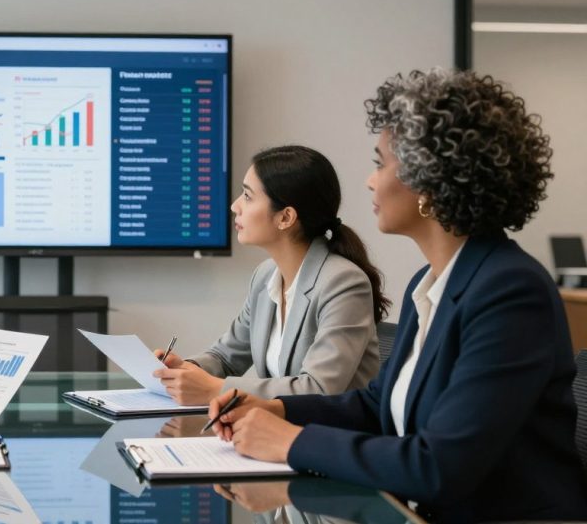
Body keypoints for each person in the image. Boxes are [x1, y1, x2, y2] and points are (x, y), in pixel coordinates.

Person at [210, 69, 587, 522]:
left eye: (380, 163)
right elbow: (376, 404)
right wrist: (276, 408)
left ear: (429, 181)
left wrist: (289, 441)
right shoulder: (428, 284)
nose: (370, 182)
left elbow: (438, 465)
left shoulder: (510, 291)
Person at [154, 145, 387, 404]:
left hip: (333, 436)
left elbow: (320, 388)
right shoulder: (265, 277)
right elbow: (225, 357)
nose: (234, 206)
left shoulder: (343, 283)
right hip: (280, 431)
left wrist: (216, 389)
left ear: (286, 217)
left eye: (247, 196)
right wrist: (186, 370)